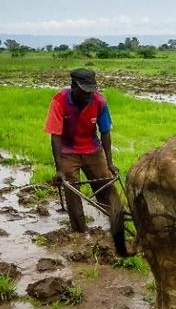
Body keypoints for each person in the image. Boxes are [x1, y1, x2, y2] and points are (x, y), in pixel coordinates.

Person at [44, 68, 121, 233]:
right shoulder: (60, 101)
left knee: (106, 186)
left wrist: (109, 163)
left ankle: (117, 224)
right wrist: (59, 169)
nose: (89, 95)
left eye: (91, 91)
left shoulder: (99, 102)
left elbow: (105, 132)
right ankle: (81, 232)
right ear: (73, 85)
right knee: (72, 191)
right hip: (67, 151)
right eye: (85, 92)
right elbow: (55, 136)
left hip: (93, 149)